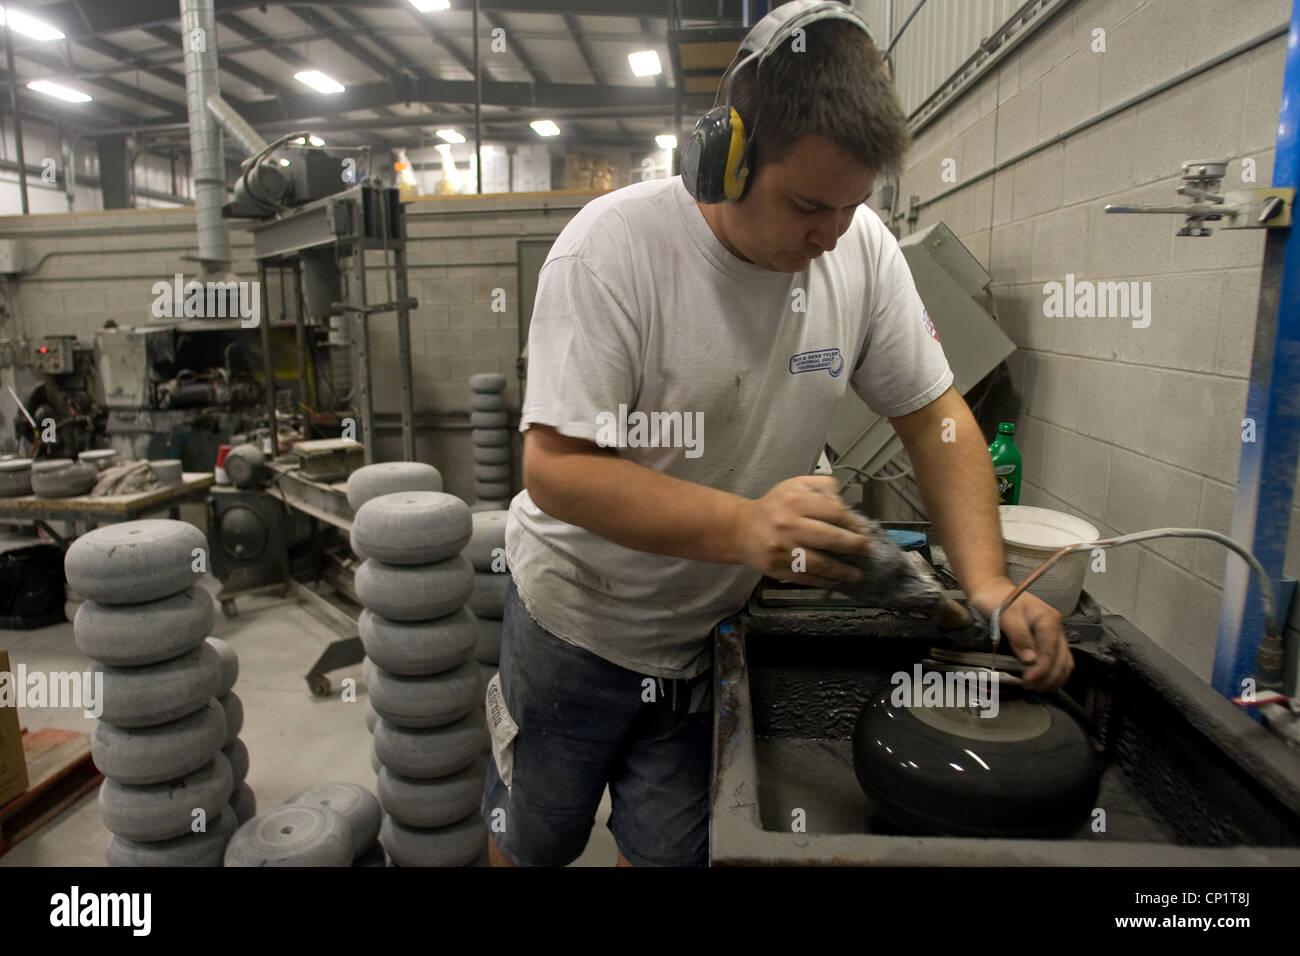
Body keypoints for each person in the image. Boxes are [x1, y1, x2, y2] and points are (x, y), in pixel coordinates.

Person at [481, 1, 1073, 868]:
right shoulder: (611, 252)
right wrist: (748, 527)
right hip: (576, 625)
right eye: (806, 204)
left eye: (853, 205)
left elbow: (934, 416)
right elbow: (558, 470)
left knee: (675, 854)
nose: (830, 235)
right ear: (724, 157)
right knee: (535, 839)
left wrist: (988, 583)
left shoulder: (860, 249)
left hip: (707, 639)